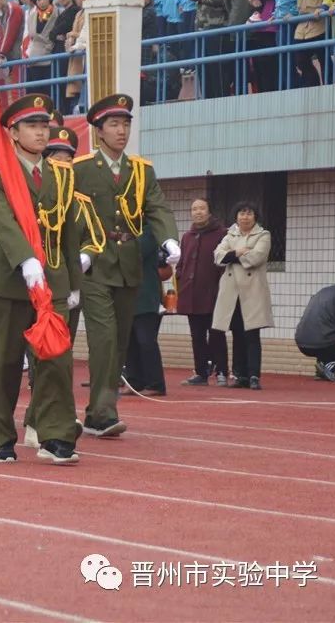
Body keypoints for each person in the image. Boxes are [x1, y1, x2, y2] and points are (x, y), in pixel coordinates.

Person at [0, 96, 83, 466]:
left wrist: (72, 281)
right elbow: (3, 222)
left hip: (51, 281)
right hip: (8, 280)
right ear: (13, 133)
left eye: (44, 125)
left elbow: (67, 229)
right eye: (32, 125)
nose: (40, 131)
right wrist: (26, 259)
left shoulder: (62, 174)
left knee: (55, 361)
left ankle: (55, 435)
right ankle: (1, 437)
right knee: (3, 364)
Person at [73, 94, 178, 438]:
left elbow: (157, 208)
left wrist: (169, 239)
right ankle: (102, 411)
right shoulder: (81, 169)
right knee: (103, 338)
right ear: (99, 131)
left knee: (118, 341)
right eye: (114, 124)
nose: (122, 131)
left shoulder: (141, 170)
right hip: (96, 264)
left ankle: (97, 412)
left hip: (129, 264)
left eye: (126, 123)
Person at [212, 201, 273, 390]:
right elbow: (217, 256)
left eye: (249, 213)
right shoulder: (230, 234)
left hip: (252, 291)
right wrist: (238, 252)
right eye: (241, 213)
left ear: (255, 217)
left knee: (252, 334)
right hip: (232, 293)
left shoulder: (263, 235)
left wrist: (231, 256)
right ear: (236, 216)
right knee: (237, 333)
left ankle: (254, 375)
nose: (244, 216)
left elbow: (257, 257)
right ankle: (240, 375)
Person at [177, 198, 229, 386]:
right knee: (196, 335)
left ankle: (222, 371)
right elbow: (181, 264)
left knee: (216, 333)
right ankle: (201, 372)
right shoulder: (187, 236)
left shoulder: (222, 233)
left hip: (214, 292)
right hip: (191, 294)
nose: (198, 212)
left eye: (202, 208)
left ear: (209, 211)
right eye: (194, 209)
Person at [123, 226, 168, 396]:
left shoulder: (148, 229)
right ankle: (135, 381)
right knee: (130, 341)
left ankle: (156, 383)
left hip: (146, 294)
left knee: (146, 340)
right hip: (127, 293)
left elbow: (135, 251)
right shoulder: (123, 226)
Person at [295, 279, 335, 381]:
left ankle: (321, 369)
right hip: (323, 342)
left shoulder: (325, 291)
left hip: (302, 342)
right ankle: (329, 367)